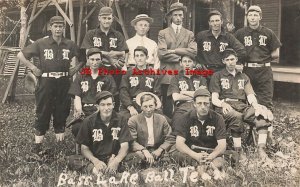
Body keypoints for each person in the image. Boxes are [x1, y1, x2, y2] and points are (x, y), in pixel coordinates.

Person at [17, 16, 81, 153]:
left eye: (60, 26)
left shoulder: (69, 44)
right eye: (55, 26)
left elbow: (82, 58)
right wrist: (33, 68)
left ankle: (60, 145)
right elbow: (21, 55)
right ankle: (37, 146)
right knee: (43, 111)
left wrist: (74, 69)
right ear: (50, 27)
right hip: (46, 82)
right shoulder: (41, 43)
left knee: (62, 111)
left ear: (64, 28)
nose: (58, 29)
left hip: (63, 82)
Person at [209, 48, 274, 160]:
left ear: (236, 60)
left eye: (232, 59)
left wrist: (256, 105)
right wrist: (222, 104)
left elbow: (250, 96)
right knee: (237, 117)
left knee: (261, 115)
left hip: (242, 105)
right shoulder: (218, 75)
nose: (230, 62)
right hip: (225, 106)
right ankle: (238, 150)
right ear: (223, 61)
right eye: (227, 60)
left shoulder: (243, 76)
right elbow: (214, 98)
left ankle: (261, 149)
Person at [67, 91, 133, 174]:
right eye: (103, 105)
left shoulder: (121, 119)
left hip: (114, 157)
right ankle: (96, 170)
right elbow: (84, 148)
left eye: (109, 104)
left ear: (113, 105)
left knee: (136, 157)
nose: (106, 108)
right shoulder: (88, 121)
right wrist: (96, 161)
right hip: (95, 157)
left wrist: (116, 161)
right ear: (97, 106)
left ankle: (109, 169)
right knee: (72, 159)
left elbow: (124, 146)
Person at [170, 88, 227, 180]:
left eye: (206, 103)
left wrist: (211, 156)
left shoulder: (218, 118)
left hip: (211, 152)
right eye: (199, 103)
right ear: (194, 104)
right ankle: (205, 167)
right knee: (176, 155)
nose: (203, 106)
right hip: (192, 153)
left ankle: (201, 167)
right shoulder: (184, 118)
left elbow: (222, 145)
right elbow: (179, 144)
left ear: (210, 104)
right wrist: (195, 156)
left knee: (232, 155)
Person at [81, 6, 129, 111]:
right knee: (95, 95)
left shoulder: (118, 35)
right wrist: (109, 55)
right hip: (97, 70)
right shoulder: (91, 34)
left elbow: (123, 53)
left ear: (112, 19)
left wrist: (102, 54)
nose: (106, 21)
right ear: (99, 18)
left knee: (113, 97)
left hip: (115, 71)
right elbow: (88, 53)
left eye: (109, 18)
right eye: (104, 18)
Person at [235, 5, 281, 111]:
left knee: (265, 100)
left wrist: (262, 59)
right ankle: (249, 125)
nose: (252, 17)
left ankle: (266, 126)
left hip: (264, 70)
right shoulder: (240, 33)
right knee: (246, 98)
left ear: (260, 17)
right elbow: (234, 50)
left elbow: (276, 53)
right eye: (250, 15)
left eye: (255, 15)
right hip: (247, 70)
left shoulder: (268, 32)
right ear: (247, 17)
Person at [158, 2, 197, 118]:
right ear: (170, 16)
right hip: (167, 74)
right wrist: (184, 56)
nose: (178, 18)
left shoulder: (189, 34)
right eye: (175, 15)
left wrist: (173, 51)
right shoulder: (163, 33)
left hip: (184, 73)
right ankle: (169, 131)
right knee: (168, 105)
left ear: (183, 16)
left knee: (184, 102)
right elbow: (162, 53)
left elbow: (193, 52)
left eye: (180, 15)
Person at [68, 48, 117, 137]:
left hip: (101, 110)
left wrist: (101, 110)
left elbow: (110, 96)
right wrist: (79, 110)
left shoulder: (107, 76)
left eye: (97, 59)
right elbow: (77, 96)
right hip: (85, 111)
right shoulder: (81, 76)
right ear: (87, 60)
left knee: (102, 126)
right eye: (92, 59)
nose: (95, 62)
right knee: (77, 127)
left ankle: (100, 148)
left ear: (101, 60)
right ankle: (84, 147)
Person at [126, 92, 173, 166]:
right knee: (136, 158)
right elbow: (132, 141)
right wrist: (144, 150)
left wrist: (160, 150)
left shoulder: (161, 119)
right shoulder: (133, 120)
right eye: (145, 106)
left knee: (169, 157)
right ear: (141, 107)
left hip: (157, 149)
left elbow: (170, 138)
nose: (148, 109)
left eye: (151, 106)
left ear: (155, 106)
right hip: (141, 150)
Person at [119, 46, 160, 120]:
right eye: (137, 56)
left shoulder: (153, 74)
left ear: (147, 57)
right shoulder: (128, 73)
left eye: (142, 55)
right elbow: (123, 92)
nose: (139, 58)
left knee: (160, 118)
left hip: (148, 105)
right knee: (122, 118)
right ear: (134, 58)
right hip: (132, 104)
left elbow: (157, 93)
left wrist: (148, 108)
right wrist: (130, 107)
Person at [167, 52, 207, 124]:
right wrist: (197, 93)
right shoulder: (176, 78)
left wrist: (184, 92)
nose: (187, 64)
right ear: (181, 63)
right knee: (178, 123)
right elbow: (176, 97)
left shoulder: (201, 78)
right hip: (182, 107)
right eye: (185, 61)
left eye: (190, 61)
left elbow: (204, 96)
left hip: (200, 106)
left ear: (194, 63)